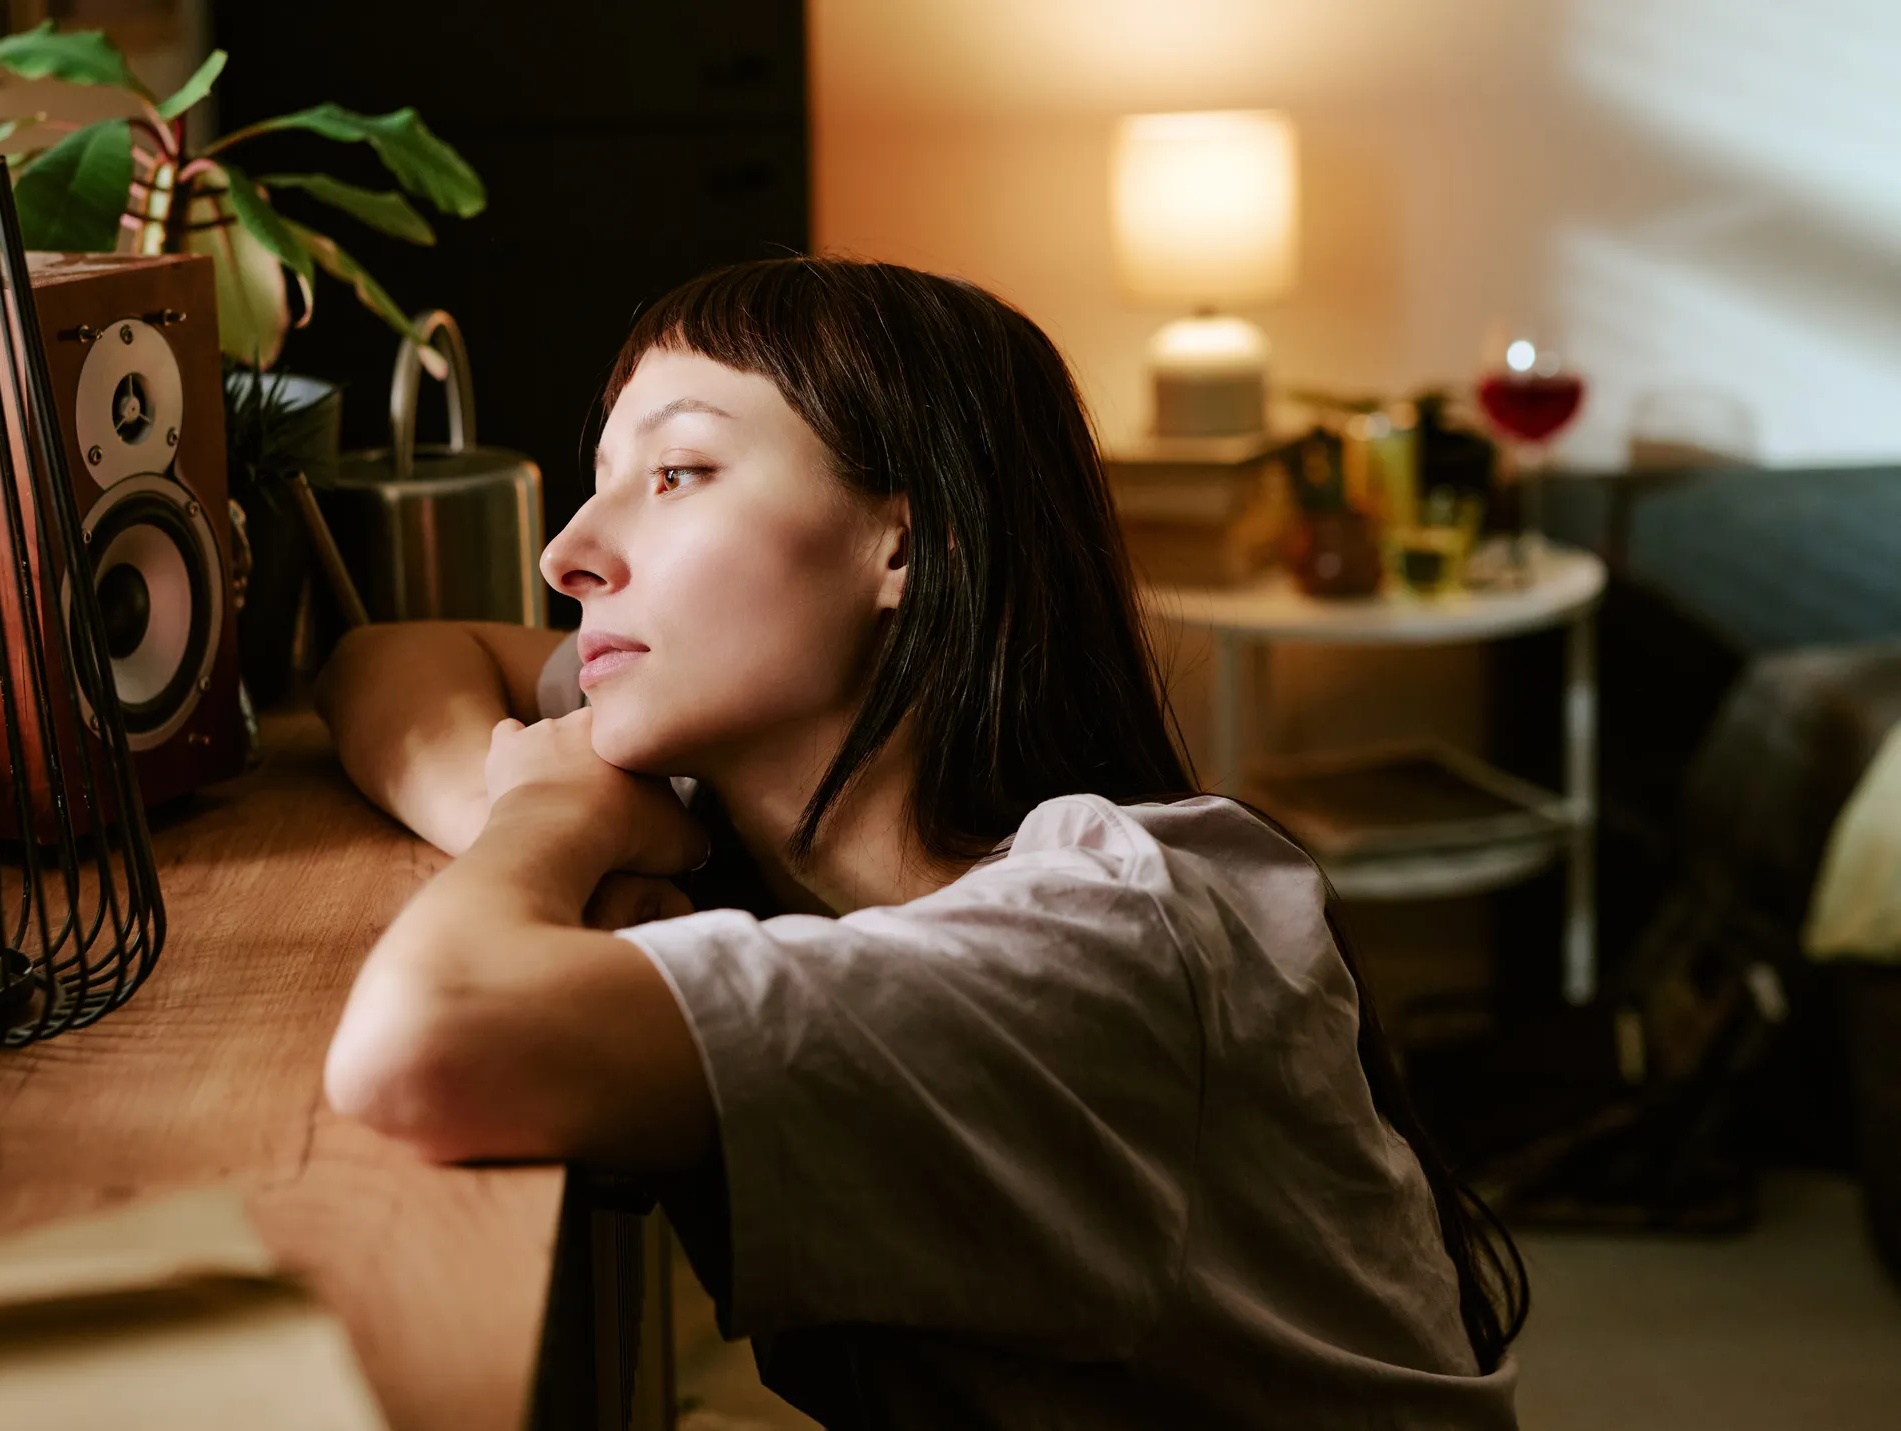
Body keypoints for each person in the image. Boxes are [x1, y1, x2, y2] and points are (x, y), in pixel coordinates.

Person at [315, 257, 1527, 1427]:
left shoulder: (1106, 929)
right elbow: (394, 663)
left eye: (677, 472)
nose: (566, 552)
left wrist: (547, 820)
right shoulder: (754, 817)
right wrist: (571, 822)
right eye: (602, 477)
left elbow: (423, 1045)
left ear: (908, 544)